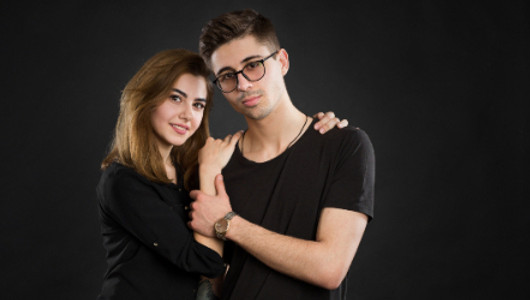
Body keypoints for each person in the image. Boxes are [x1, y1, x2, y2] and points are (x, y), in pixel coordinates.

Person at [96, 49, 348, 299]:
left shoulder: (188, 173)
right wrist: (209, 171)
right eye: (175, 98)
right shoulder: (123, 180)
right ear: (147, 99)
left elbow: (233, 247)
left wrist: (312, 132)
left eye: (197, 105)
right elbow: (204, 262)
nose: (187, 114)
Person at [187, 9, 375, 300]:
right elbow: (211, 286)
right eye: (227, 76)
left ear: (282, 61)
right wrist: (208, 174)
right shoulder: (216, 164)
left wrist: (228, 223)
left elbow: (330, 268)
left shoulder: (344, 146)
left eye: (253, 65)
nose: (243, 84)